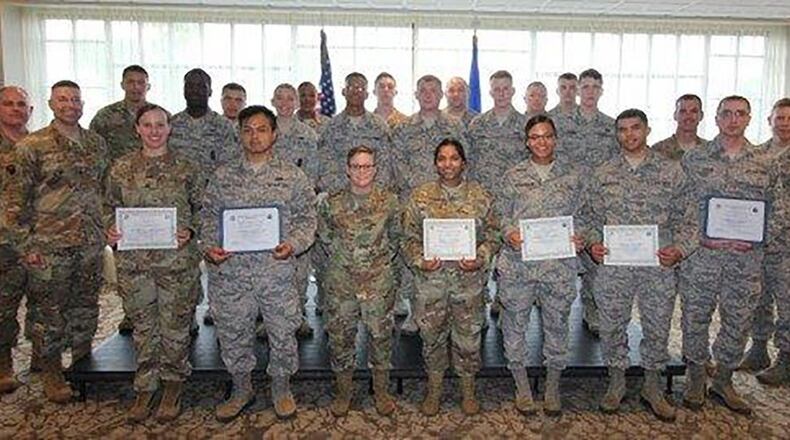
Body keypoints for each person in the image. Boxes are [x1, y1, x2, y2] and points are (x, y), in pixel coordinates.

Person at [202, 105, 317, 421]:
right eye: (248, 130)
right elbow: (209, 217)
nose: (255, 136)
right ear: (239, 134)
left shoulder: (293, 177)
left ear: (274, 134)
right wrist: (209, 246)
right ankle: (242, 388)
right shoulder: (223, 176)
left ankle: (281, 387)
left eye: (261, 129)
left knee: (282, 333)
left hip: (276, 272)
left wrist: (293, 244)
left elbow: (308, 219)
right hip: (232, 274)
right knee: (234, 333)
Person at [586, 109, 688, 421]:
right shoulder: (602, 173)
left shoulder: (671, 172)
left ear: (647, 130)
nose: (629, 135)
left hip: (657, 266)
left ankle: (652, 387)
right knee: (612, 325)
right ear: (616, 134)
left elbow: (689, 218)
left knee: (657, 327)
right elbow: (588, 217)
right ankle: (616, 382)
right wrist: (592, 244)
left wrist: (680, 249)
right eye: (622, 130)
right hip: (614, 267)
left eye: (635, 128)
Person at [104, 104, 201, 422]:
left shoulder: (186, 167)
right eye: (147, 125)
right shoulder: (121, 168)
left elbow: (203, 208)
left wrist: (191, 229)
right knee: (144, 329)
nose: (154, 130)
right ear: (137, 129)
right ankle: (145, 386)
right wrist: (111, 229)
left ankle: (173, 384)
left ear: (170, 128)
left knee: (174, 328)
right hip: (135, 265)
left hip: (176, 263)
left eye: (160, 124)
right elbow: (108, 206)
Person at [12, 80, 108, 402]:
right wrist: (26, 247)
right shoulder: (32, 146)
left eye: (76, 99)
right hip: (48, 245)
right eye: (63, 99)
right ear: (51, 104)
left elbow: (103, 193)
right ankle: (51, 371)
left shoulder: (96, 144)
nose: (70, 104)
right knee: (48, 312)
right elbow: (13, 203)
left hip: (89, 242)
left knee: (85, 307)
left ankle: (82, 364)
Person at [679, 95, 775, 415]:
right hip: (703, 256)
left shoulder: (765, 162)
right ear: (716, 119)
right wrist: (701, 238)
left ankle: (723, 379)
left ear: (749, 119)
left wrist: (758, 240)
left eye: (740, 114)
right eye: (727, 114)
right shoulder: (695, 160)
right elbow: (682, 208)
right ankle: (695, 376)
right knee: (695, 317)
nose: (733, 119)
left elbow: (779, 211)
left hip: (746, 260)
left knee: (738, 320)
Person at [497, 115, 590, 416]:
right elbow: (499, 215)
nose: (541, 142)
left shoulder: (573, 176)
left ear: (556, 139)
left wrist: (582, 237)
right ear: (527, 141)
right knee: (514, 327)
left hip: (558, 268)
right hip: (519, 267)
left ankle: (552, 386)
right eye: (535, 137)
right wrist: (508, 232)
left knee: (557, 327)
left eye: (547, 136)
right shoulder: (512, 175)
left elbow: (587, 216)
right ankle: (521, 384)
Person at [401, 138, 500, 416]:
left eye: (454, 158)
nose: (448, 164)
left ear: (464, 163)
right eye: (442, 158)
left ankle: (468, 391)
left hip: (468, 284)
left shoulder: (480, 196)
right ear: (435, 163)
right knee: (432, 338)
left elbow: (494, 234)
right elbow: (407, 237)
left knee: (468, 338)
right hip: (431, 284)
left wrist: (480, 256)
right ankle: (434, 390)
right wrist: (421, 259)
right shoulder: (420, 196)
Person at [317, 145, 400, 417]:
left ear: (375, 169)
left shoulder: (390, 201)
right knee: (341, 338)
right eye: (356, 166)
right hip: (342, 283)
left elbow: (396, 237)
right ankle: (344, 393)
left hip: (378, 283)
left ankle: (382, 391)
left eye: (367, 166)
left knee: (381, 337)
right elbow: (326, 237)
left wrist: (376, 263)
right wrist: (348, 260)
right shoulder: (332, 202)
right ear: (347, 169)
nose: (362, 171)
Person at [392, 74, 469, 334]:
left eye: (433, 90)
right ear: (416, 95)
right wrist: (422, 191)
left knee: (446, 258)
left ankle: (448, 311)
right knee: (414, 259)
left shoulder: (455, 127)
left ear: (441, 95)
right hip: (414, 202)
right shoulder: (403, 128)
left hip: (448, 202)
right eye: (423, 90)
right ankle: (417, 312)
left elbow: (463, 161)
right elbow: (396, 164)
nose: (428, 95)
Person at [169, 68, 239, 328]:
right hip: (180, 207)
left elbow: (232, 167)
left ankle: (216, 307)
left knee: (217, 261)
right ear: (184, 89)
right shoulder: (172, 125)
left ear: (210, 91)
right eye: (190, 86)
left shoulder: (222, 127)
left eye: (201, 86)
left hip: (213, 206)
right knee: (182, 266)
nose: (195, 91)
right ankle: (186, 316)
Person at [90, 64, 154, 335]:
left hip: (151, 201)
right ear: (123, 84)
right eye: (131, 82)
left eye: (141, 82)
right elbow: (94, 156)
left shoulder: (157, 115)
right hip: (120, 199)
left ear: (147, 86)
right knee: (126, 264)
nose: (136, 87)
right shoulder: (105, 117)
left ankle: (155, 311)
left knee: (154, 261)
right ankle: (131, 312)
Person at [567, 68, 619, 336]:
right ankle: (556, 313)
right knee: (563, 259)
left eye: (594, 87)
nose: (589, 92)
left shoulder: (612, 127)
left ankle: (592, 309)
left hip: (599, 203)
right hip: (568, 202)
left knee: (597, 259)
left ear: (601, 90)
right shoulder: (560, 123)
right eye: (584, 86)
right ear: (577, 90)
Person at [746, 97, 790, 383]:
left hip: (786, 245)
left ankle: (785, 359)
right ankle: (758, 348)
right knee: (757, 298)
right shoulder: (757, 155)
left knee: (787, 302)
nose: (784, 123)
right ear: (769, 120)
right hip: (755, 241)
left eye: (789, 118)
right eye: (780, 118)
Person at [271, 83, 319, 337]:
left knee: (299, 270)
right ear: (273, 101)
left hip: (297, 210)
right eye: (280, 98)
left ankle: (298, 316)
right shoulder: (264, 131)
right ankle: (270, 319)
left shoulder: (308, 135)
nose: (285, 102)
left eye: (290, 98)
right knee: (271, 268)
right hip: (268, 212)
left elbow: (313, 174)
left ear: (297, 102)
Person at [0, 85, 33, 393]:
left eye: (21, 104)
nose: (15, 109)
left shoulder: (39, 145)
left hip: (41, 238)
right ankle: (3, 365)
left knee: (44, 302)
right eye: (8, 104)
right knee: (4, 305)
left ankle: (43, 361)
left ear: (31, 110)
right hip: (3, 242)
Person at [317, 72, 394, 195]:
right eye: (351, 87)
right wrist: (342, 193)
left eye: (360, 88)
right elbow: (325, 166)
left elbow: (386, 165)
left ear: (367, 94)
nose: (356, 92)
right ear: (343, 91)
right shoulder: (331, 127)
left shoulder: (379, 126)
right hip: (338, 197)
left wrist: (373, 192)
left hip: (374, 197)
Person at [652, 94, 708, 161]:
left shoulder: (710, 150)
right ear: (675, 115)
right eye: (683, 111)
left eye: (694, 111)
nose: (688, 116)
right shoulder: (658, 150)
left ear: (701, 116)